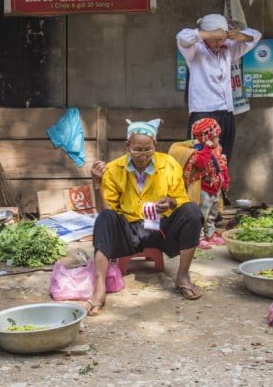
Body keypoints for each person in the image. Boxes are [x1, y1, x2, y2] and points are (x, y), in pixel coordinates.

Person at [87, 119, 203, 315]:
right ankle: (100, 289)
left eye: (148, 150)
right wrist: (98, 185)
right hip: (130, 230)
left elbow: (180, 199)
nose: (142, 156)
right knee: (104, 219)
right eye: (137, 150)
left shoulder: (169, 165)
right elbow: (107, 211)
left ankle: (182, 277)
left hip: (161, 230)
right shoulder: (114, 170)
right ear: (127, 146)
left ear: (155, 145)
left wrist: (171, 203)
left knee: (192, 211)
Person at [176, 14, 261, 184]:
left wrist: (239, 36)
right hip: (203, 112)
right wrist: (209, 34)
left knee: (222, 158)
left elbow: (256, 35)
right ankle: (197, 199)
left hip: (226, 112)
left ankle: (218, 198)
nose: (219, 43)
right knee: (199, 160)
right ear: (205, 35)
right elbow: (182, 37)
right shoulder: (195, 50)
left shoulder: (228, 48)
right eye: (215, 39)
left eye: (222, 39)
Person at [183, 118, 229, 249]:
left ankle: (210, 234)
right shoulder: (198, 151)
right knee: (202, 214)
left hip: (216, 188)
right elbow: (201, 164)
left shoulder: (217, 149)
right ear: (207, 138)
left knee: (213, 214)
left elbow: (222, 167)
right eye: (216, 137)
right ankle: (199, 237)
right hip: (204, 190)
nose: (218, 140)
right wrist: (207, 148)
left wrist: (225, 182)